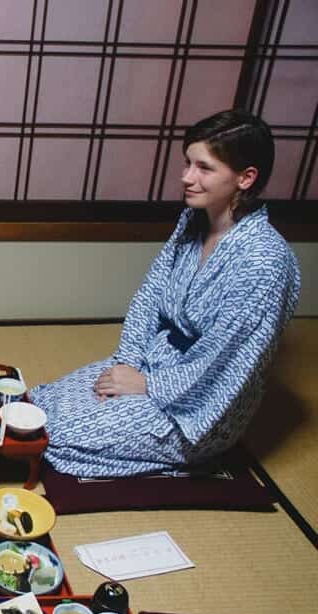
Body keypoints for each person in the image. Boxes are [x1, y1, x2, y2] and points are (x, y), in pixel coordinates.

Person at [31, 110, 301, 478]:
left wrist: (148, 385)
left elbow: (226, 360)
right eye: (188, 163)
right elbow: (150, 296)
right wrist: (127, 362)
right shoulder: (194, 219)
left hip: (204, 401)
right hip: (156, 361)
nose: (186, 178)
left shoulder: (264, 260)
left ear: (245, 178)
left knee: (58, 435)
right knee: (42, 404)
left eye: (204, 168)